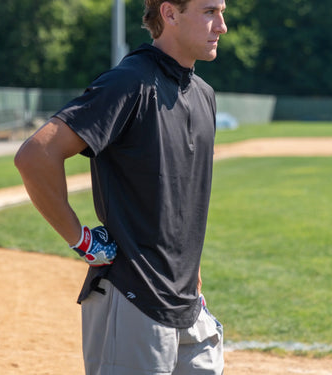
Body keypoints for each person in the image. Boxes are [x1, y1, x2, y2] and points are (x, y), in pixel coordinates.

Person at [14, 0, 227, 374]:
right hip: (133, 300)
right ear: (170, 14)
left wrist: (190, 274)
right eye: (209, 11)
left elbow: (176, 197)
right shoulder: (130, 82)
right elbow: (36, 156)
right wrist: (81, 240)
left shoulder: (203, 94)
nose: (221, 26)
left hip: (187, 304)